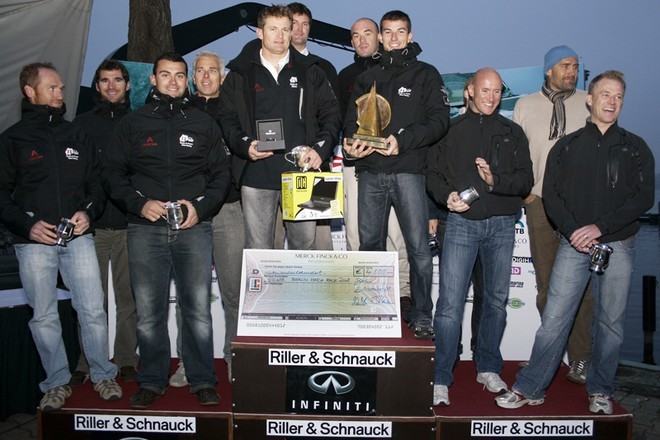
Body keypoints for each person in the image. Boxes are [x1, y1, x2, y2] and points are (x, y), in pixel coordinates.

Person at [496, 70, 655, 415]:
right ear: (590, 99)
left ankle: (600, 390)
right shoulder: (566, 147)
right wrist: (573, 231)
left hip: (618, 246)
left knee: (610, 325)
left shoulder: (636, 147)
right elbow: (550, 194)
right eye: (605, 95)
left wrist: (598, 227)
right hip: (573, 244)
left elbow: (643, 198)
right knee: (554, 319)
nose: (612, 102)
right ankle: (530, 387)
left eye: (618, 96)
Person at [103, 52, 231, 409]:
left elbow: (222, 175)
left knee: (198, 312)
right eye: (165, 75)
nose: (173, 82)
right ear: (154, 80)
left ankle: (202, 378)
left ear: (186, 80)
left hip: (193, 227)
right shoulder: (133, 123)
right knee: (149, 312)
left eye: (179, 75)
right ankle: (152, 379)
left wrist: (200, 207)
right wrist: (138, 203)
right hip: (145, 229)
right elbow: (112, 173)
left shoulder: (203, 123)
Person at [0, 62, 122, 412]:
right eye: (52, 88)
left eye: (61, 88)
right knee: (44, 316)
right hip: (34, 243)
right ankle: (56, 383)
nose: (60, 94)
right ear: (30, 91)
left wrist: (88, 212)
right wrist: (27, 226)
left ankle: (102, 374)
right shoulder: (12, 140)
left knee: (93, 311)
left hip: (78, 239)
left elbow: (97, 185)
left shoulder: (77, 134)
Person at [427, 68, 533, 406]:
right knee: (449, 306)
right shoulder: (450, 130)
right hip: (461, 224)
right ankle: (441, 376)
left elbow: (525, 181)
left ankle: (487, 366)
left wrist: (493, 181)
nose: (491, 97)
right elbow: (433, 174)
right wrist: (447, 198)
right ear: (470, 91)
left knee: (496, 303)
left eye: (497, 92)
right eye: (484, 90)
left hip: (503, 225)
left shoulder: (513, 132)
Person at [343, 10, 449, 339]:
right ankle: (374, 310)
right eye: (387, 32)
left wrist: (401, 141)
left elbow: (439, 121)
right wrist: (350, 147)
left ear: (410, 36)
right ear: (381, 37)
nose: (392, 38)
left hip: (408, 172)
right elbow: (351, 123)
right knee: (369, 245)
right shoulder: (367, 77)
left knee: (417, 247)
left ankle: (421, 314)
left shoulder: (427, 75)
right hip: (371, 172)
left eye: (399, 32)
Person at [218, 4, 341, 251]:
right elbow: (226, 118)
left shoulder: (311, 71)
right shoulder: (239, 73)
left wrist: (320, 149)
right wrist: (244, 145)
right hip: (256, 174)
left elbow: (332, 113)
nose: (280, 35)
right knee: (259, 249)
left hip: (304, 173)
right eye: (273, 29)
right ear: (259, 32)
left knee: (306, 248)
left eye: (286, 29)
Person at [513, 45, 593, 383]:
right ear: (548, 70)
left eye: (575, 66)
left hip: (581, 208)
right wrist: (526, 194)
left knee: (584, 289)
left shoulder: (589, 101)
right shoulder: (526, 104)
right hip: (540, 204)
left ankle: (582, 359)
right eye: (565, 65)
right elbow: (516, 153)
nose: (571, 71)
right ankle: (549, 354)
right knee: (547, 285)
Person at [168, 51, 243, 386]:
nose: (207, 76)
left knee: (234, 292)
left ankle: (234, 357)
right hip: (191, 213)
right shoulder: (179, 113)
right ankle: (189, 362)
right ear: (192, 78)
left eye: (213, 70)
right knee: (191, 294)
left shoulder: (237, 111)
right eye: (200, 71)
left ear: (222, 76)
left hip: (230, 207)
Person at [338, 17, 413, 320]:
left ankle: (404, 293)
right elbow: (339, 120)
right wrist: (346, 143)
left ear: (379, 37)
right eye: (355, 36)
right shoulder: (345, 76)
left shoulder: (399, 72)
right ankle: (363, 292)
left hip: (393, 165)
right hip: (356, 163)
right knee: (357, 233)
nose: (361, 40)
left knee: (397, 233)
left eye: (367, 33)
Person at [72, 60, 138, 385]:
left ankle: (126, 359)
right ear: (97, 86)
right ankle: (85, 363)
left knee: (127, 298)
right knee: (89, 302)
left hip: (130, 226)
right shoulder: (81, 126)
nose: (111, 86)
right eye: (104, 81)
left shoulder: (139, 123)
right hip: (91, 229)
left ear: (127, 85)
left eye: (117, 80)